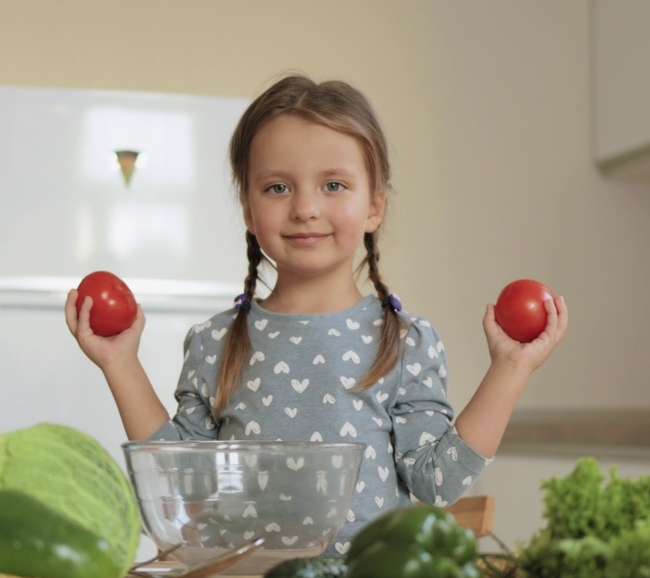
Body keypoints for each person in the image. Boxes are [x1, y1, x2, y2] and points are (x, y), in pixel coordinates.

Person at [65, 74, 568, 553]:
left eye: (333, 185)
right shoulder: (214, 341)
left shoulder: (407, 341)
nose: (305, 207)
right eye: (278, 188)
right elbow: (183, 486)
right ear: (247, 207)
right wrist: (120, 363)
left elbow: (438, 483)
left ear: (375, 206)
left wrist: (510, 368)